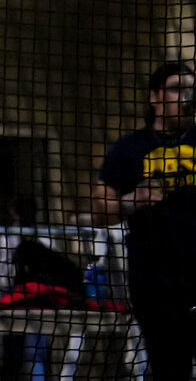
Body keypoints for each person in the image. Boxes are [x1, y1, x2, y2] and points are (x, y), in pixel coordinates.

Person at [92, 61, 196, 381]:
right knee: (170, 370)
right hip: (155, 280)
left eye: (192, 90)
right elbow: (100, 212)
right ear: (155, 97)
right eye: (178, 88)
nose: (187, 97)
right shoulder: (129, 148)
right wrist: (129, 202)